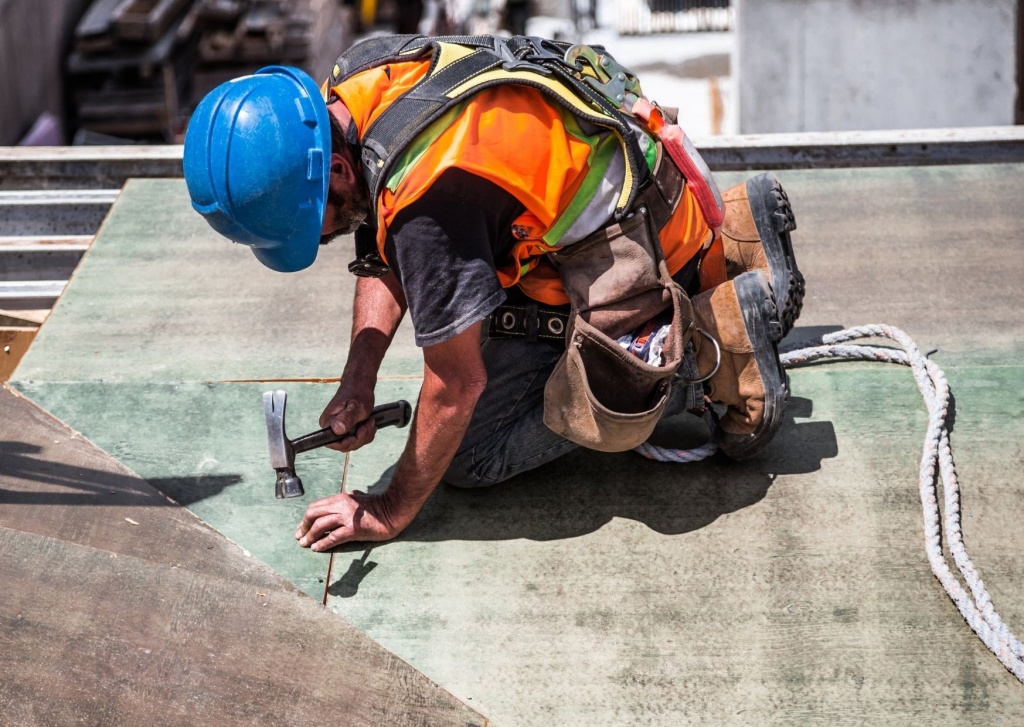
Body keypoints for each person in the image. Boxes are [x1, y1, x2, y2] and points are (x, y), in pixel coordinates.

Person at [182, 35, 804, 551]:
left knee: (472, 456)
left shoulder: (431, 202)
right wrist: (359, 379)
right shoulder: (360, 81)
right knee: (466, 317)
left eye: (308, 226)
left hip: (640, 254)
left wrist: (389, 508)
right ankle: (737, 236)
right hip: (649, 190)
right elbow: (381, 242)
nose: (316, 243)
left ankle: (710, 347)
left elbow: (456, 384)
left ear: (337, 170)